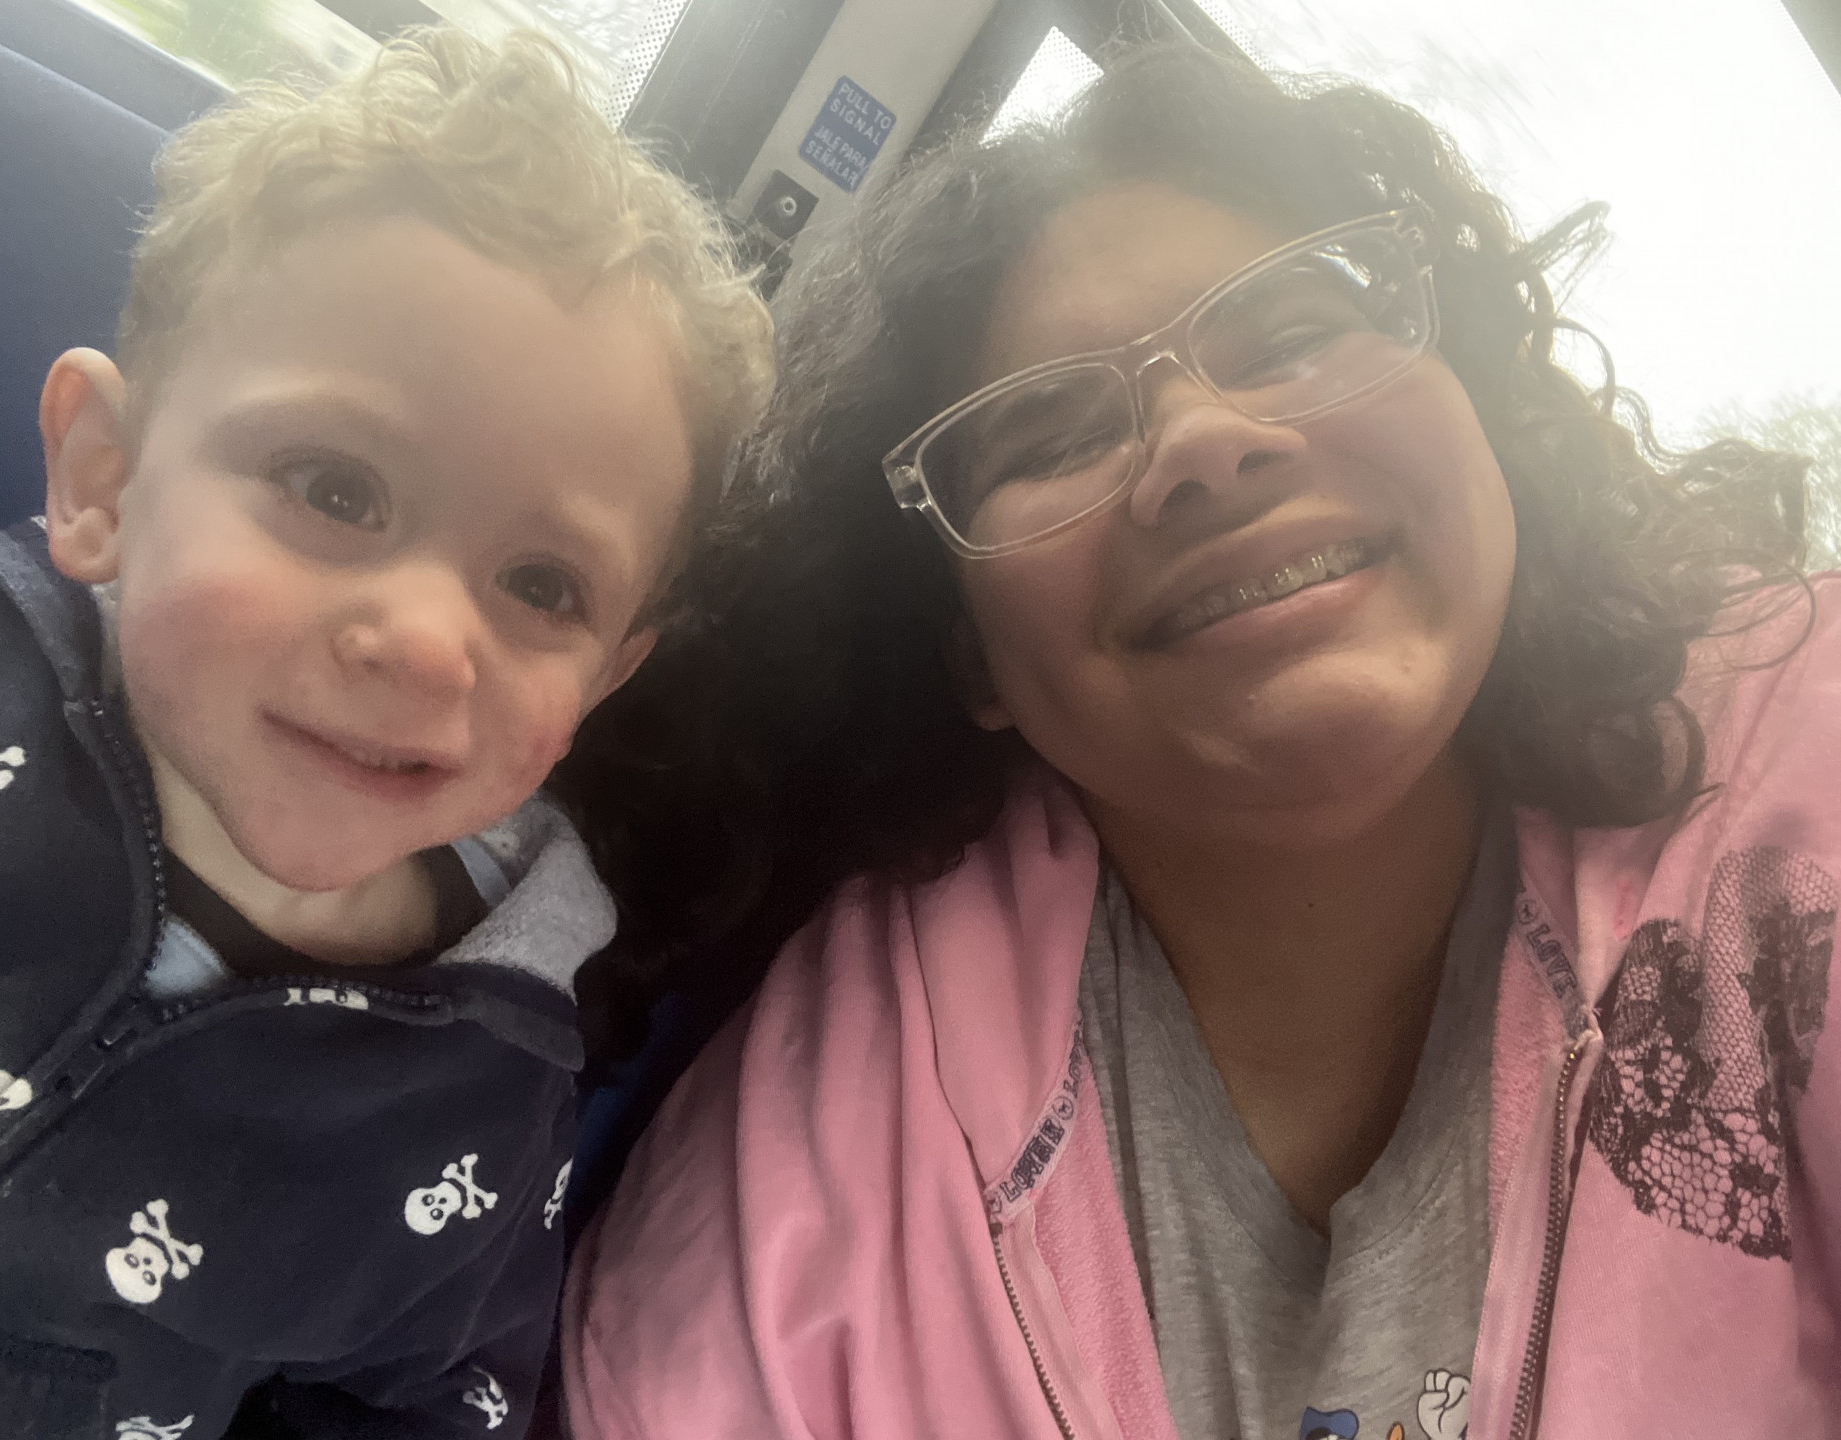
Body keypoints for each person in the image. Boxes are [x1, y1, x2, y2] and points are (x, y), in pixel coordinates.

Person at [559, 39, 1840, 1440]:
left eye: (1289, 338)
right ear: (969, 656)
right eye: (1051, 438)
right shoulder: (777, 1232)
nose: (1203, 443)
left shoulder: (1800, 744)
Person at [0, 26, 770, 1439]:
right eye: (334, 489)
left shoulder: (480, 1098)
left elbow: (428, 1403)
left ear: (606, 679)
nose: (430, 641)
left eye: (542, 586)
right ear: (104, 479)